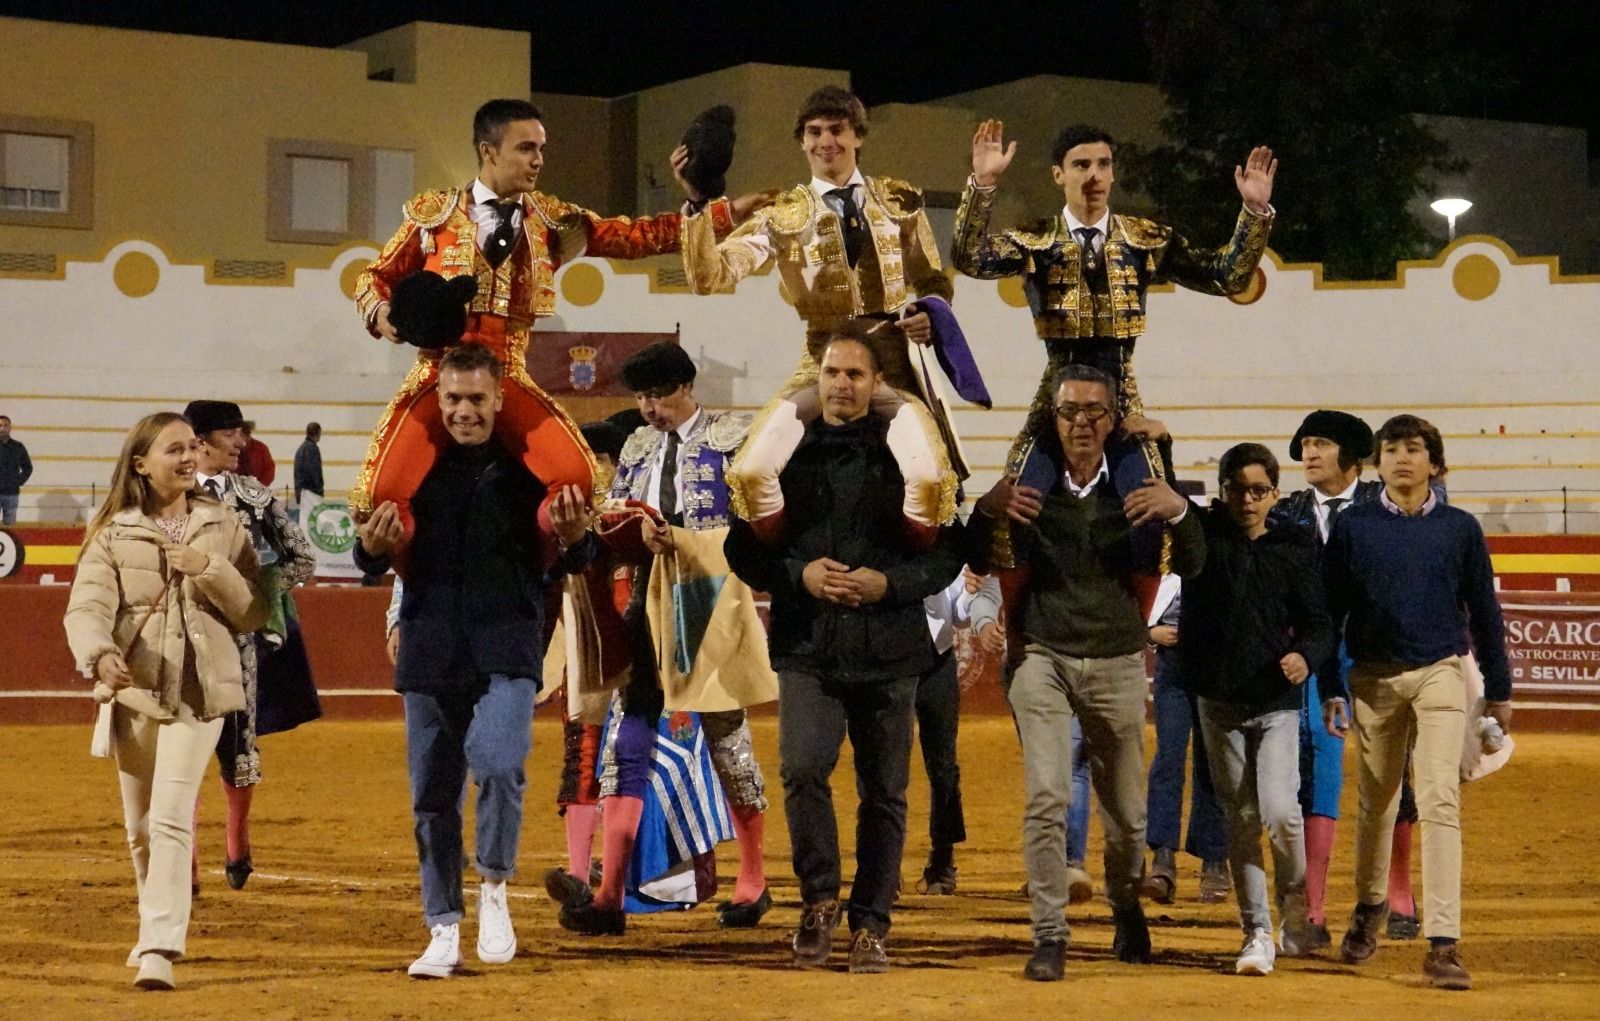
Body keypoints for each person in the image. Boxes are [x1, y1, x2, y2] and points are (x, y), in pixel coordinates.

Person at [352, 98, 759, 542]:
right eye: (526, 148)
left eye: (541, 148)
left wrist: (714, 208)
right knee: (378, 497)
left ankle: (538, 553)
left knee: (577, 481)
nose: (539, 160)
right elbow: (374, 278)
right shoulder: (433, 216)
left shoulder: (553, 222)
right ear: (489, 152)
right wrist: (385, 315)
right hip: (437, 374)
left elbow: (636, 236)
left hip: (507, 375)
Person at [352, 343, 597, 979]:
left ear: (499, 400)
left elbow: (573, 554)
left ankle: (492, 888)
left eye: (477, 399)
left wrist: (575, 538)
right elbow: (376, 556)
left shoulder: (528, 469)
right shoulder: (417, 469)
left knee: (499, 763)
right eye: (454, 399)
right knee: (432, 797)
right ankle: (441, 926)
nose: (464, 411)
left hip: (509, 643)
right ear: (437, 400)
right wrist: (370, 552)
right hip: (431, 644)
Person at [725, 329, 964, 973]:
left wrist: (892, 584)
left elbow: (949, 548)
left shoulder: (907, 451)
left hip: (890, 648)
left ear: (876, 383)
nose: (841, 384)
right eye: (832, 372)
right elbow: (742, 548)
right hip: (809, 644)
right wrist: (797, 574)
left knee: (884, 792)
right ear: (817, 376)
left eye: (856, 374)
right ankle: (819, 901)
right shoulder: (784, 451)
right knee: (803, 772)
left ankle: (872, 924)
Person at [968, 363, 1205, 983]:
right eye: (1070, 410)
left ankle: (1125, 902)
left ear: (1112, 420)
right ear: (1053, 416)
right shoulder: (1028, 486)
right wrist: (985, 507)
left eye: (1095, 411)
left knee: (1126, 814)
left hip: (1118, 659)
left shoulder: (1135, 490)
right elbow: (974, 552)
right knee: (1046, 796)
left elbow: (1197, 561)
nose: (1081, 422)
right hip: (1042, 655)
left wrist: (1179, 509)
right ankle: (1050, 932)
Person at [953, 121, 1275, 565]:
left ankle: (1140, 626)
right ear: (1058, 175)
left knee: (1152, 514)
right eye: (1081, 165)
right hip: (1057, 394)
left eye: (1103, 164)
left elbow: (1226, 275)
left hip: (1120, 393)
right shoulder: (1036, 238)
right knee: (1016, 507)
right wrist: (983, 184)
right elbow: (970, 258)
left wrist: (1254, 214)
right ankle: (1015, 629)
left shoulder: (1143, 239)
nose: (1094, 175)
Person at [682, 85, 979, 543]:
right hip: (821, 363)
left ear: (858, 136)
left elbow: (933, 279)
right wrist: (699, 208)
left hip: (892, 364)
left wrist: (927, 312)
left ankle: (906, 567)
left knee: (930, 480)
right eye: (815, 131)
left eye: (837, 130)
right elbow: (711, 277)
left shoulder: (899, 201)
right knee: (751, 470)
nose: (827, 142)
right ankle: (789, 563)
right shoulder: (780, 214)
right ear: (802, 141)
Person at [558, 342, 778, 935]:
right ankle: (608, 896)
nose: (647, 408)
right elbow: (614, 516)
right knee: (626, 743)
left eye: (656, 395)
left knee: (728, 743)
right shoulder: (637, 446)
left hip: (707, 599)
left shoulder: (735, 437)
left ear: (684, 387)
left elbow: (758, 525)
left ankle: (753, 880)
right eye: (641, 397)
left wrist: (682, 541)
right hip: (649, 599)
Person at [63, 412, 268, 990]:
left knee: (173, 815)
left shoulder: (223, 525)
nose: (187, 457)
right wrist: (100, 654)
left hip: (201, 694)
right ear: (141, 464)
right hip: (136, 694)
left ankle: (159, 943)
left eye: (192, 447)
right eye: (174, 449)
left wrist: (207, 567)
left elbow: (254, 609)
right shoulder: (111, 533)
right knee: (141, 827)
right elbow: (87, 608)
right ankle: (153, 921)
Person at [1321, 415, 1514, 991]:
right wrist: (1333, 683)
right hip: (1373, 678)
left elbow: (1484, 612)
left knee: (1438, 799)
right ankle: (1369, 905)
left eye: (1414, 449)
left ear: (1436, 462)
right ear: (1377, 463)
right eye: (1391, 450)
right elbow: (1331, 615)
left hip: (1440, 672)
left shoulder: (1460, 528)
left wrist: (1499, 690)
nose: (1401, 458)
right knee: (1377, 801)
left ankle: (1444, 941)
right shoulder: (1353, 527)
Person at [1181, 443, 1332, 976]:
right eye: (1237, 490)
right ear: (1221, 492)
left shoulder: (1294, 548)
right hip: (1217, 702)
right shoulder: (1199, 536)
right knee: (1241, 822)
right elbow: (1168, 502)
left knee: (1281, 813)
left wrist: (1306, 657)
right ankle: (1257, 933)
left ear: (1273, 492)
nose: (1247, 500)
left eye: (1258, 490)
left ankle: (1295, 908)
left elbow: (1319, 624)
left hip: (1275, 702)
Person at [183, 400, 318, 892]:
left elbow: (301, 559)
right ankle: (187, 860)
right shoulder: (167, 495)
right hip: (180, 642)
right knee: (180, 751)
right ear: (200, 441)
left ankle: (237, 838)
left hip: (240, 644)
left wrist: (259, 590)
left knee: (237, 745)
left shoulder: (253, 498)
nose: (243, 443)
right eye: (231, 435)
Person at [1143, 581, 1231, 905]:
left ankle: (1214, 858)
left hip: (1215, 660)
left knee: (1212, 761)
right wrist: (1149, 631)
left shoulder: (1219, 538)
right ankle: (1163, 858)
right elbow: (1136, 585)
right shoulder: (1163, 535)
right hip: (1175, 660)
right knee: (1169, 757)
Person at [912, 568, 998, 895]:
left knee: (943, 763)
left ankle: (943, 860)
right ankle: (881, 868)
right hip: (885, 658)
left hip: (937, 657)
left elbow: (957, 615)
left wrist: (968, 591)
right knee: (882, 764)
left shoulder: (944, 527)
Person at [0, 414, 32, 526]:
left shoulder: (18, 447)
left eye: (5, 425)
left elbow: (28, 467)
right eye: (0, 425)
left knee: (10, 527)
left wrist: (18, 481)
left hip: (11, 493)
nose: (2, 428)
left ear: (10, 427)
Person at [293, 422, 324, 507]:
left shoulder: (301, 448)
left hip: (302, 494)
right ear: (317, 433)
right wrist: (319, 492)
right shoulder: (312, 449)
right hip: (311, 495)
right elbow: (314, 472)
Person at [236, 422, 276, 486]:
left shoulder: (261, 448)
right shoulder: (231, 447)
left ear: (248, 435)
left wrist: (260, 486)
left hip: (256, 490)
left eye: (241, 435)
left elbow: (269, 470)